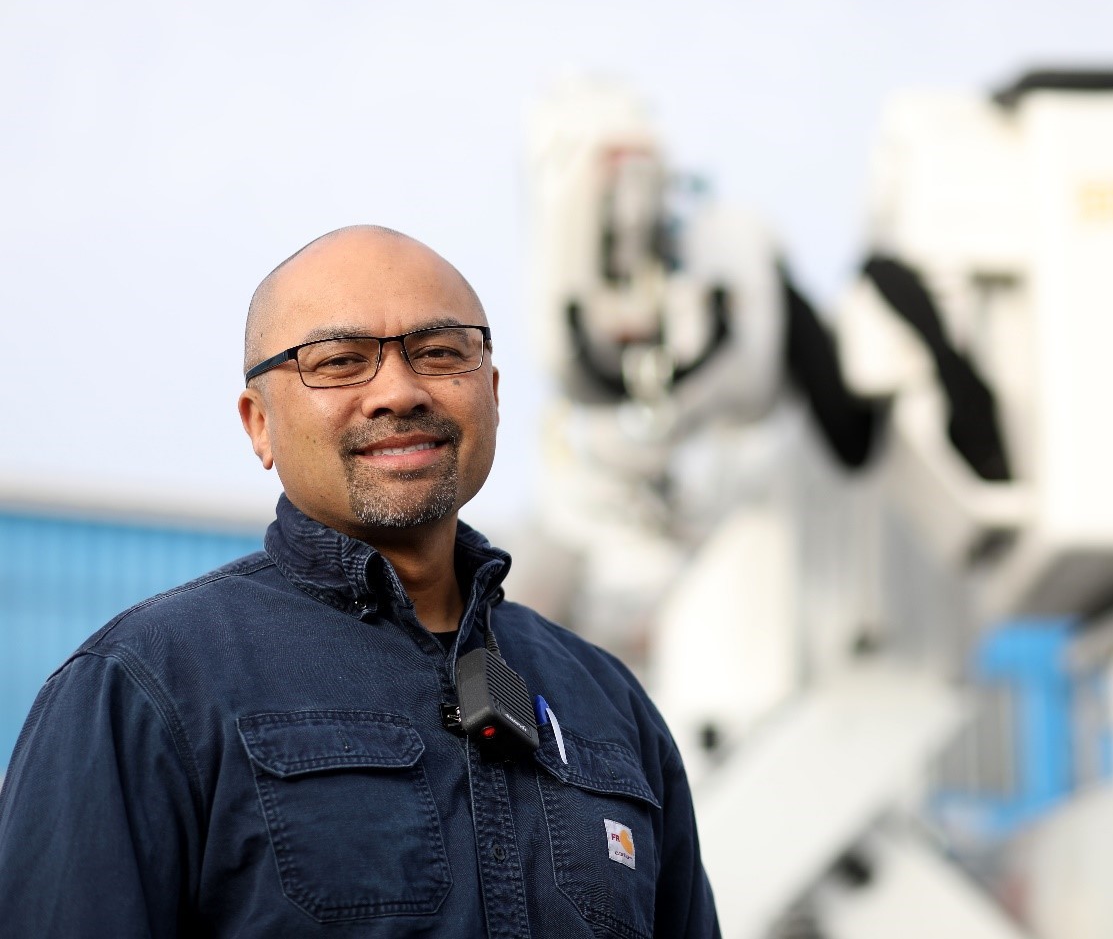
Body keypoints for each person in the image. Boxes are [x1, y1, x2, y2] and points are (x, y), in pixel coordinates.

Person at [0, 225, 721, 938]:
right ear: (259, 424)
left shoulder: (607, 703)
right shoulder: (146, 685)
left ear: (493, 393)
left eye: (440, 352)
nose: (400, 391)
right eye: (341, 361)